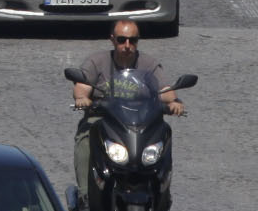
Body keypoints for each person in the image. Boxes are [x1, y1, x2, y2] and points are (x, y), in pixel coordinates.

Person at [71, 20, 182, 196]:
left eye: (133, 40)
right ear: (112, 39)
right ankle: (86, 195)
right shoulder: (97, 62)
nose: (127, 45)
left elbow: (164, 90)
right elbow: (82, 87)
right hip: (103, 118)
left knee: (163, 135)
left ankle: (161, 191)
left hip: (141, 121)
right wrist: (82, 99)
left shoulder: (149, 64)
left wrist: (174, 102)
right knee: (86, 137)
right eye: (122, 40)